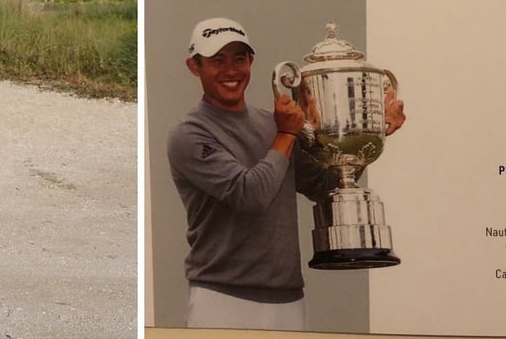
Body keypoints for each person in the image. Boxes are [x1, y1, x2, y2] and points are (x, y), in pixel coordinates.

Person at [166, 17, 405, 330]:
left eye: (240, 58)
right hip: (221, 299)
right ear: (194, 66)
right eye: (217, 60)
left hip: (288, 299)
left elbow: (325, 184)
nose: (231, 70)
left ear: (251, 61)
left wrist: (376, 130)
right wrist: (287, 135)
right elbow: (250, 195)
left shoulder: (272, 124)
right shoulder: (190, 135)